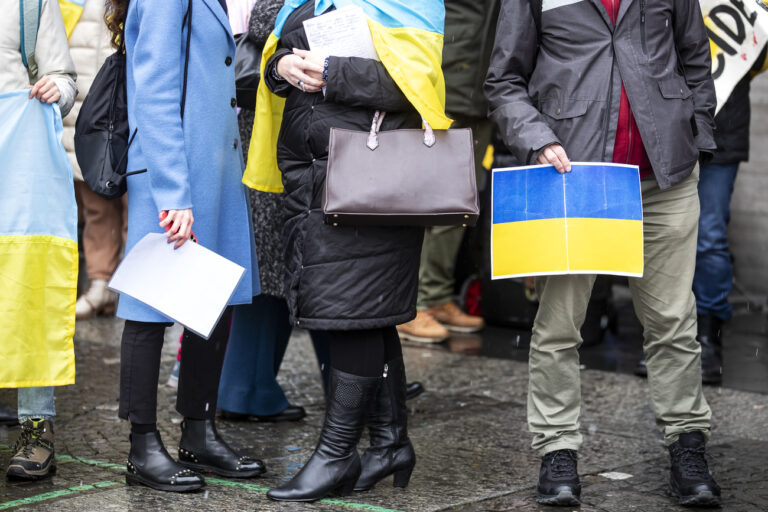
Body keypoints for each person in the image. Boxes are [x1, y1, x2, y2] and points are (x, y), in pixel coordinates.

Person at [486, 0, 721, 507]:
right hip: (574, 179)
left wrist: (695, 134)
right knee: (558, 323)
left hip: (665, 176)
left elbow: (695, 59)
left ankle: (687, 443)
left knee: (673, 319)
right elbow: (503, 82)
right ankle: (557, 448)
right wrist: (536, 139)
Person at [243, 0, 450, 502]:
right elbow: (275, 57)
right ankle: (388, 443)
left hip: (370, 180)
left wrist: (335, 73)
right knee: (367, 312)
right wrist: (279, 67)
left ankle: (338, 453)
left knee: (349, 312)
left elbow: (418, 85)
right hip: (310, 178)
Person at [105, 0, 264, 492]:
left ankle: (199, 429)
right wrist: (174, 190)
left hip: (212, 169)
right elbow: (153, 87)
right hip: (172, 171)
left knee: (212, 301)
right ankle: (142, 444)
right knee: (150, 308)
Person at [217, 0, 331, 423]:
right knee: (302, 269)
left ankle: (245, 389)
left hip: (268, 133)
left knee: (271, 270)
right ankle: (351, 392)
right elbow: (268, 22)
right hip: (280, 137)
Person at [635, 46, 768, 385]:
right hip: (662, 126)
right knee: (659, 232)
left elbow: (756, 51)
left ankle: (707, 334)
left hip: (721, 125)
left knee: (708, 234)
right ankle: (662, 336)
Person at [1, 0, 77, 481]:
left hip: (19, 170)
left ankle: (35, 428)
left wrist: (59, 88)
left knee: (27, 289)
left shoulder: (32, 2)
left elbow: (66, 78)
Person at [396, 0, 499, 344]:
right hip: (446, 84)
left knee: (459, 204)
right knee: (430, 200)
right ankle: (411, 305)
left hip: (482, 89)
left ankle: (436, 295)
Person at [59, 0, 126, 320]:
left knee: (120, 202)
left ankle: (119, 286)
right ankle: (96, 285)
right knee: (88, 203)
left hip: (114, 107)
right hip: (76, 107)